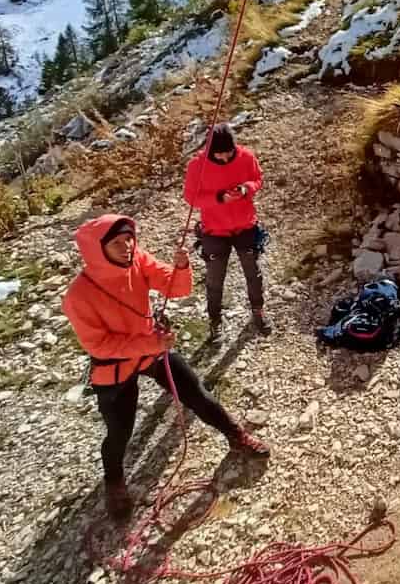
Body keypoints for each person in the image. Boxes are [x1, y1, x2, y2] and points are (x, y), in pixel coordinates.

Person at [62, 214, 269, 521]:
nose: (127, 247)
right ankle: (114, 481)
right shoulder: (78, 296)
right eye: (117, 243)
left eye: (129, 239)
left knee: (196, 393)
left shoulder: (137, 260)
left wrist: (182, 268)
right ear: (97, 249)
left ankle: (235, 435)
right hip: (116, 366)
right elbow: (99, 346)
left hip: (150, 350)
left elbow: (176, 289)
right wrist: (150, 346)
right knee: (120, 431)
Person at [183, 124, 271, 339]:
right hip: (214, 231)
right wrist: (218, 198)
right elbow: (191, 198)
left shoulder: (246, 156)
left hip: (245, 226)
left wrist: (245, 189)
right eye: (218, 154)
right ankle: (215, 321)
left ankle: (258, 312)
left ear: (234, 147)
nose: (223, 158)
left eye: (228, 152)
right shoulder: (197, 165)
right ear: (209, 150)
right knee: (214, 280)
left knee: (253, 274)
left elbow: (257, 179)